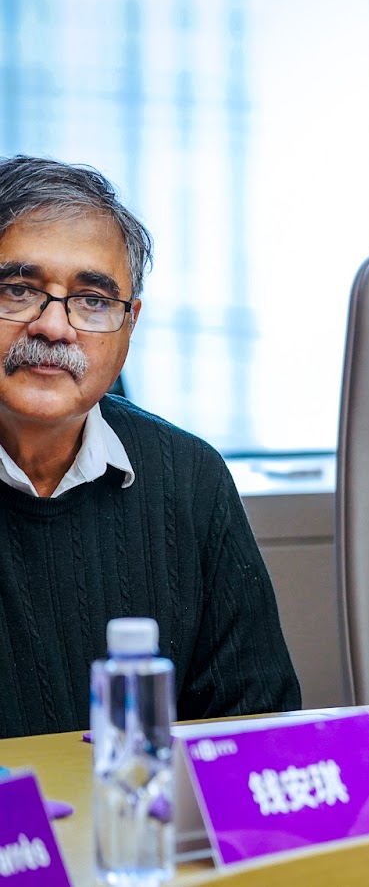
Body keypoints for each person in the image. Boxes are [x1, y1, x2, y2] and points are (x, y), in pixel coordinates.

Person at [0, 156, 301, 738]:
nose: (55, 327)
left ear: (130, 325)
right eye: (18, 289)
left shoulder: (190, 477)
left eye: (92, 300)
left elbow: (257, 729)